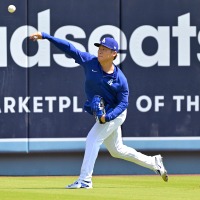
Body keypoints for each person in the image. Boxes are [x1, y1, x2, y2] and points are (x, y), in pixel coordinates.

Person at [30, 32, 168, 189]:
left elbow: (123, 104)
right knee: (117, 150)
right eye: (100, 47)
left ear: (114, 54)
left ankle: (85, 180)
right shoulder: (90, 62)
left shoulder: (120, 79)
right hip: (105, 114)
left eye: (105, 48)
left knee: (92, 139)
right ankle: (153, 162)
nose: (100, 50)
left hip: (116, 113)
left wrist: (108, 117)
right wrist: (46, 36)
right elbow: (70, 48)